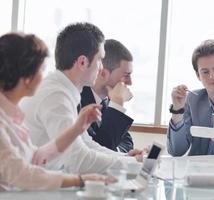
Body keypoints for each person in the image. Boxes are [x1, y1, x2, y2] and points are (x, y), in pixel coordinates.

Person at [20, 22, 141, 175]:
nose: (101, 68)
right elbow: (78, 161)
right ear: (83, 62)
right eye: (100, 60)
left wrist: (125, 158)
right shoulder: (56, 96)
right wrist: (132, 163)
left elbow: (86, 144)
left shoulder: (64, 90)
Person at [0, 32, 111, 191]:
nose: (44, 77)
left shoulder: (11, 116)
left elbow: (36, 157)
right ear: (27, 77)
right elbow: (21, 174)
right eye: (42, 70)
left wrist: (76, 129)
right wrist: (79, 180)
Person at [80, 39, 134, 153]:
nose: (130, 83)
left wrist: (119, 153)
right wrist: (117, 103)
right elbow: (97, 152)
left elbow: (127, 143)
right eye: (126, 75)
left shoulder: (107, 101)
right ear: (103, 72)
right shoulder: (78, 101)